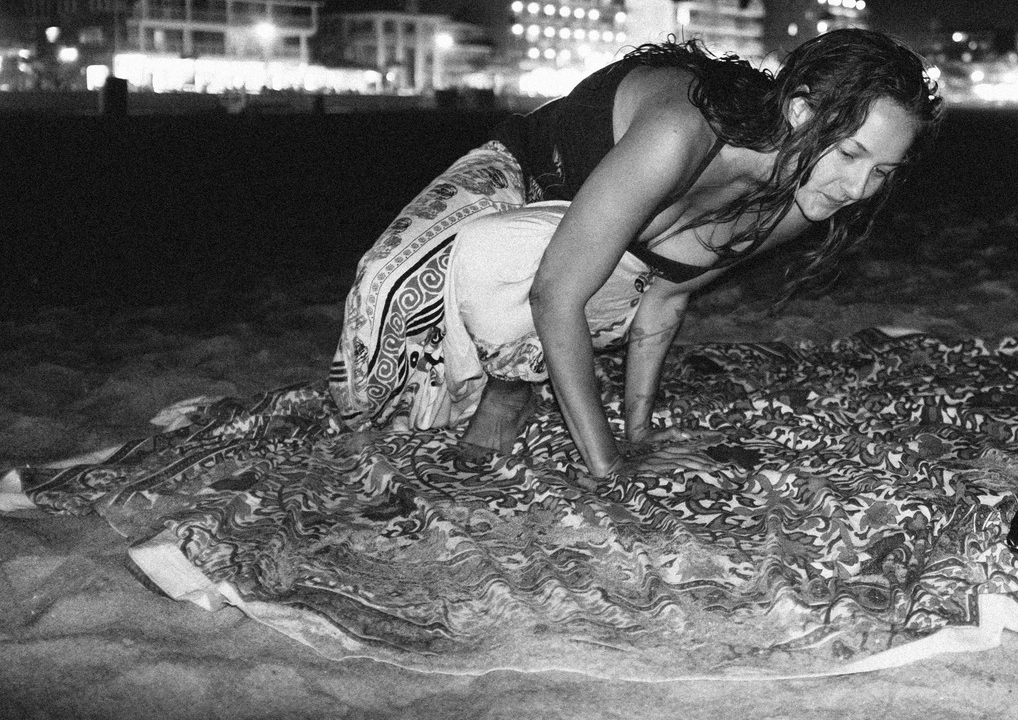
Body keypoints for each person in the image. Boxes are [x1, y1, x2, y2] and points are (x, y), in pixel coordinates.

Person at [330, 28, 942, 477]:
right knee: (389, 281)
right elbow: (557, 293)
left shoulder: (803, 194)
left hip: (604, 248)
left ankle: (511, 385)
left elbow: (665, 298)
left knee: (566, 279)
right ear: (802, 111)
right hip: (529, 171)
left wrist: (639, 434)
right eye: (852, 156)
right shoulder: (682, 133)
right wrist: (606, 468)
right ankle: (378, 420)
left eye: (882, 172)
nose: (858, 190)